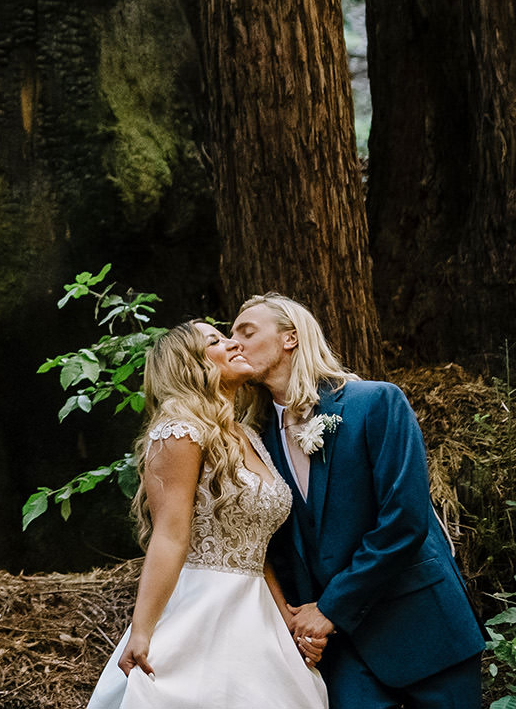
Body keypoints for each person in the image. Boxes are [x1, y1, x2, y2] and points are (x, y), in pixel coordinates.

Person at [229, 294, 486, 709]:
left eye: (247, 331)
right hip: (340, 650)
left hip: (423, 625)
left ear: (290, 338)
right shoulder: (255, 442)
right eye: (231, 335)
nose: (234, 343)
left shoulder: (376, 402)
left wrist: (330, 607)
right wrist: (298, 625)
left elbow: (404, 520)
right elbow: (274, 544)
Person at [87, 320, 328, 709]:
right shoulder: (180, 431)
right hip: (200, 612)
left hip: (258, 613)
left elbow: (256, 544)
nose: (234, 344)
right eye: (216, 340)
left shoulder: (247, 435)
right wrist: (142, 630)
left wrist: (283, 616)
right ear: (190, 364)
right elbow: (169, 535)